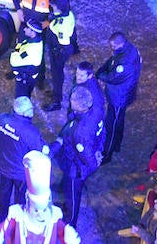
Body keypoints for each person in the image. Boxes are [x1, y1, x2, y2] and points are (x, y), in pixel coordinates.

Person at [51, 87, 101, 228]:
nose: (70, 99)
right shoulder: (96, 112)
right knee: (68, 188)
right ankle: (66, 204)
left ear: (79, 105)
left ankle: (70, 222)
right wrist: (100, 150)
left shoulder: (80, 132)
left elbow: (86, 156)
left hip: (76, 167)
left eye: (72, 99)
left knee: (73, 195)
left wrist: (93, 163)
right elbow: (102, 133)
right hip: (74, 161)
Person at [0, 97, 46, 224]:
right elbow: (41, 151)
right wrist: (58, 143)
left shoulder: (2, 119)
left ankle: (0, 218)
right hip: (21, 172)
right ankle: (18, 221)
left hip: (4, 165)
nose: (33, 110)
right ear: (24, 112)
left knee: (3, 191)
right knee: (21, 196)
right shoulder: (30, 132)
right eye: (30, 108)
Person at [97, 31, 141, 164]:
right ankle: (116, 144)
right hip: (123, 93)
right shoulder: (130, 49)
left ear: (120, 43)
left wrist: (99, 75)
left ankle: (107, 153)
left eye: (113, 46)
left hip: (119, 97)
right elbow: (112, 62)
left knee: (112, 125)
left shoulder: (125, 62)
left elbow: (113, 77)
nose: (112, 48)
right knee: (118, 120)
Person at [44, 1, 78, 112]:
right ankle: (55, 93)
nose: (52, 7)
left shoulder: (62, 25)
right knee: (56, 74)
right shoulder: (68, 14)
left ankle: (57, 101)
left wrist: (56, 51)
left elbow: (63, 42)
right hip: (58, 50)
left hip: (59, 51)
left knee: (57, 75)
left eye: (54, 6)